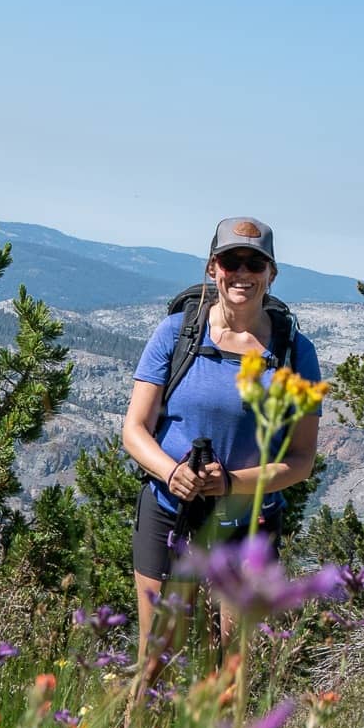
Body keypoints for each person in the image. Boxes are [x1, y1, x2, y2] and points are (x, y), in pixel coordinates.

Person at [121, 215, 323, 675]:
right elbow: (135, 428)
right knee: (155, 663)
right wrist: (174, 473)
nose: (242, 273)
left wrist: (232, 482)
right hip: (171, 513)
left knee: (229, 671)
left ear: (271, 274)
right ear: (213, 268)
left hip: (248, 524)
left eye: (255, 263)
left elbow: (301, 459)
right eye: (231, 261)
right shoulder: (178, 333)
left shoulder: (294, 351)